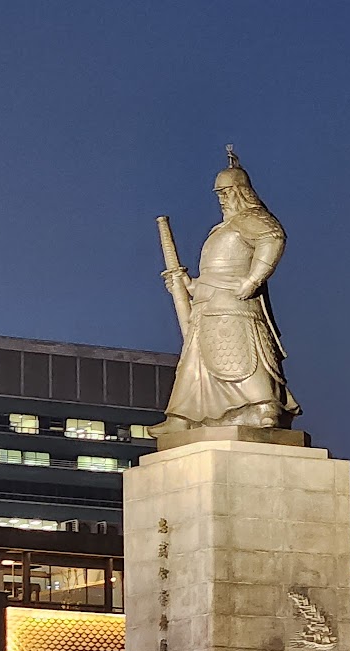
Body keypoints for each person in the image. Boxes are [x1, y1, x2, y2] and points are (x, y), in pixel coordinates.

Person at [149, 148, 301, 438]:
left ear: (241, 192)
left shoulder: (251, 218)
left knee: (245, 357)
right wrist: (186, 284)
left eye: (227, 191)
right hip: (206, 305)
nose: (222, 198)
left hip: (236, 303)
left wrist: (253, 280)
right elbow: (210, 276)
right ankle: (182, 417)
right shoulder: (223, 228)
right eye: (219, 193)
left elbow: (273, 238)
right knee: (195, 364)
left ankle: (263, 406)